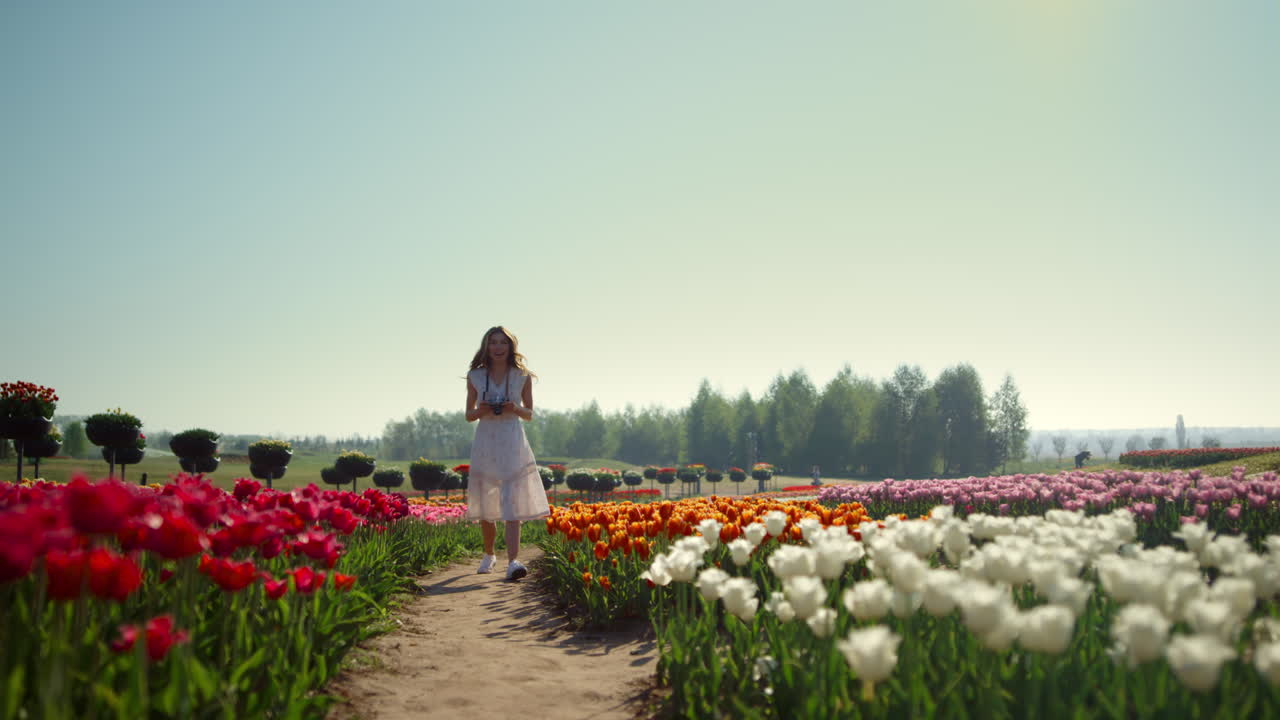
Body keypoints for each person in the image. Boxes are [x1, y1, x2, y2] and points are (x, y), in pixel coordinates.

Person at [464, 326, 550, 581]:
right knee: (487, 500)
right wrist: (482, 409)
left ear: (511, 346)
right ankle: (489, 553)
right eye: (493, 342)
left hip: (512, 440)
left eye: (503, 342)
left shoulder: (521, 376)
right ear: (486, 346)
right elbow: (469, 415)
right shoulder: (475, 376)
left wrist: (514, 407)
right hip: (486, 441)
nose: (498, 347)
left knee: (513, 501)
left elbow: (530, 414)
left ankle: (513, 561)